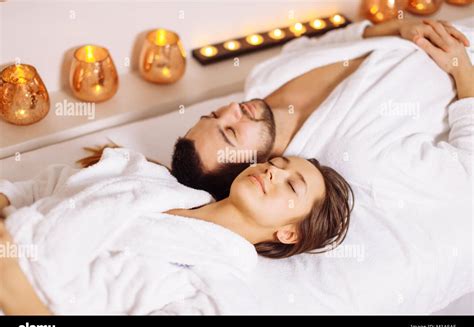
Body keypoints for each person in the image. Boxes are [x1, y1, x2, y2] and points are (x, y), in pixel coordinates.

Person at [0, 151, 353, 314]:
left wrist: (16, 290)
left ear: (289, 233)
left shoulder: (218, 290)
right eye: (275, 164)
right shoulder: (149, 178)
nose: (272, 173)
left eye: (292, 186)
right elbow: (42, 187)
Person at [170, 18, 472, 199]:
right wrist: (462, 69)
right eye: (233, 132)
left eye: (214, 115)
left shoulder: (263, 79)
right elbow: (466, 170)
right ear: (255, 168)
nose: (233, 109)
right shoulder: (358, 157)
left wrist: (400, 26)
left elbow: (325, 42)